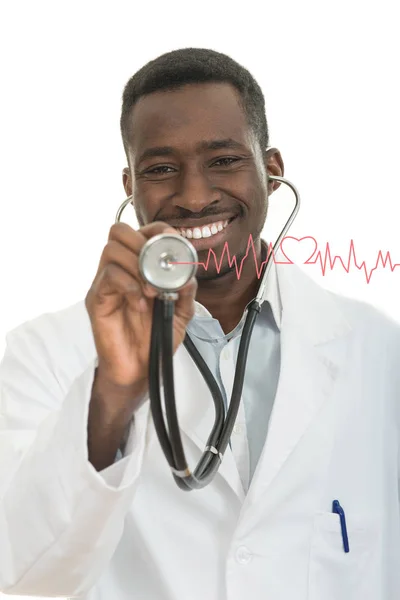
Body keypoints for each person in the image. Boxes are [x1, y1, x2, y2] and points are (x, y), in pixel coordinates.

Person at [0, 47, 399, 600]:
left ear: (273, 169)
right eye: (161, 169)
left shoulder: (378, 351)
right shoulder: (43, 354)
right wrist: (111, 397)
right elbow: (25, 575)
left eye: (224, 160)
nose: (193, 196)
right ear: (130, 187)